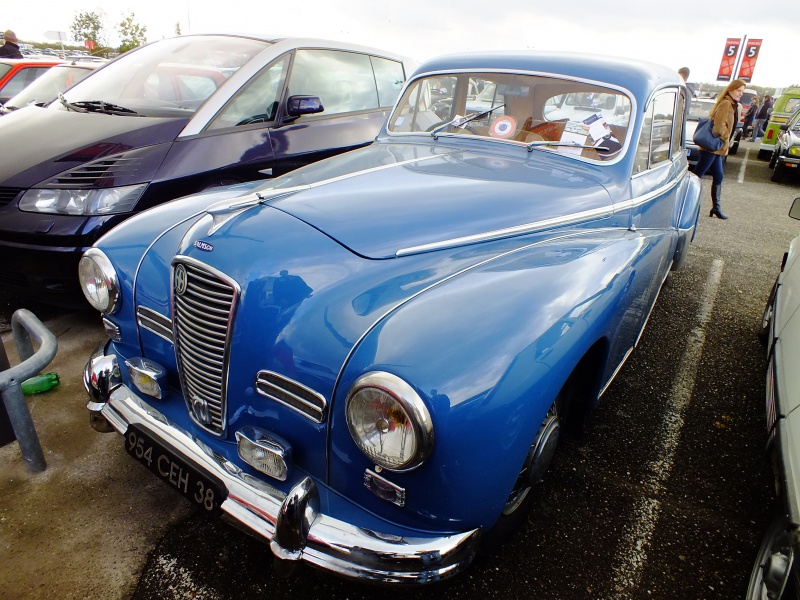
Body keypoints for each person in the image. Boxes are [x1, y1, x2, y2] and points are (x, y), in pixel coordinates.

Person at [693, 79, 746, 220]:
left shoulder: (732, 104)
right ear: (730, 90)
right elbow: (718, 127)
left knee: (718, 176)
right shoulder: (726, 103)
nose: (741, 94)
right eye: (738, 90)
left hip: (717, 149)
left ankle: (716, 207)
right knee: (697, 175)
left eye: (742, 91)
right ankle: (688, 204)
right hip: (712, 147)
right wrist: (726, 136)